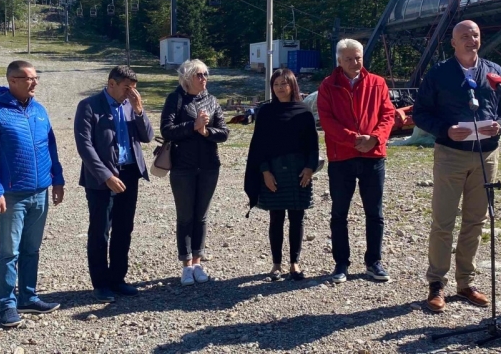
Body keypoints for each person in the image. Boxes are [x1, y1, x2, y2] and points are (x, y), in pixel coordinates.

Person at [413, 20, 501, 313]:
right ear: (453, 43)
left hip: (486, 156)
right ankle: (436, 284)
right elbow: (420, 112)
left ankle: (466, 283)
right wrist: (445, 130)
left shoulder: (495, 72)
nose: (471, 40)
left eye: (475, 35)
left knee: (475, 221)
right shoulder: (439, 74)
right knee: (443, 221)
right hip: (451, 154)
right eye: (464, 36)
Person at [0, 60, 65, 327]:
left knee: (31, 248)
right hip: (12, 194)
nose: (35, 82)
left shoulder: (39, 110)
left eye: (36, 78)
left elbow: (50, 146)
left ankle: (27, 297)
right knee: (9, 252)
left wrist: (58, 179)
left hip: (40, 190)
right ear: (12, 81)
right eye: (29, 78)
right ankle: (6, 304)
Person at [317, 39, 395, 284]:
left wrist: (375, 138)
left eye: (358, 57)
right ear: (339, 60)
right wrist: (353, 140)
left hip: (373, 156)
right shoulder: (328, 86)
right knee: (339, 212)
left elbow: (388, 114)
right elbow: (327, 121)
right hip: (342, 158)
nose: (355, 63)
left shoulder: (377, 83)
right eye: (349, 59)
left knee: (375, 213)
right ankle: (341, 263)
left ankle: (374, 261)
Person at [74, 65, 154, 303]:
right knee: (100, 231)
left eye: (134, 89)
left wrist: (139, 111)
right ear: (111, 84)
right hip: (101, 179)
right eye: (127, 88)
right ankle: (100, 284)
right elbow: (84, 146)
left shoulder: (131, 105)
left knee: (123, 228)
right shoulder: (89, 106)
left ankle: (118, 279)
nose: (131, 93)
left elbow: (147, 137)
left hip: (129, 174)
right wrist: (105, 176)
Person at [244, 68, 319, 281]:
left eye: (283, 84)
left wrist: (309, 168)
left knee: (297, 217)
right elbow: (259, 146)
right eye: (276, 84)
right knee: (276, 217)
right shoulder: (266, 112)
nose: (279, 88)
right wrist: (265, 172)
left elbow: (313, 145)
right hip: (273, 170)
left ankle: (294, 263)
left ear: (292, 85)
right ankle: (276, 264)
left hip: (299, 171)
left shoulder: (304, 111)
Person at [160, 59, 229, 286]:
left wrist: (206, 131)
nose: (204, 78)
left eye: (206, 74)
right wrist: (193, 126)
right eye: (199, 75)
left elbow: (224, 132)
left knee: (201, 216)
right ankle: (186, 265)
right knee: (185, 216)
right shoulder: (175, 99)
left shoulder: (211, 101)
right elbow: (167, 130)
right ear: (188, 78)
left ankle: (198, 262)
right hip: (183, 168)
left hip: (209, 166)